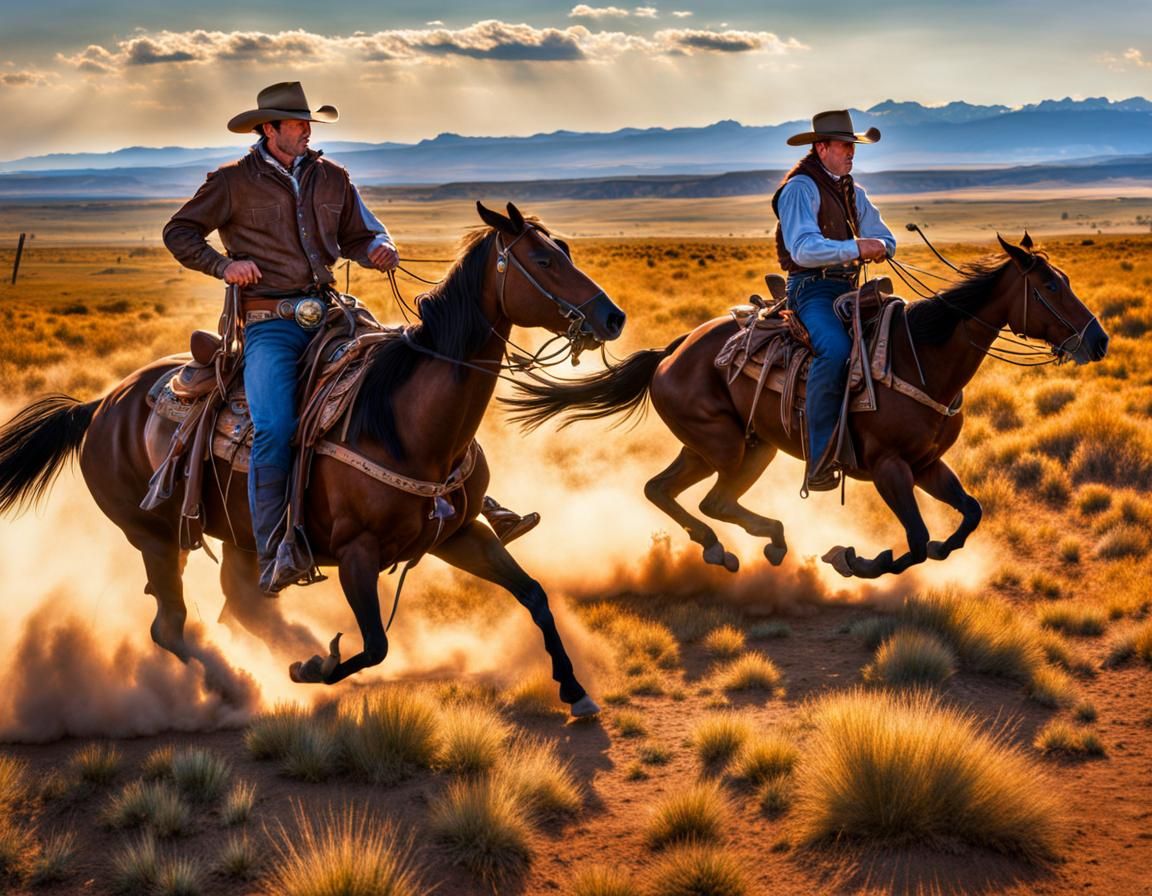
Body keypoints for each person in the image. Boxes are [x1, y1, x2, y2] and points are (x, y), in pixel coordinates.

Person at [164, 81, 537, 593]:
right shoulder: (231, 182)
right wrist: (224, 265)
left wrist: (378, 248)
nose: (307, 131)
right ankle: (275, 552)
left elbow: (364, 233)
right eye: (297, 124)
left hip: (334, 314)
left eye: (308, 123)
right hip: (270, 324)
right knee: (274, 426)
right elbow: (179, 232)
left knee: (411, 377)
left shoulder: (332, 177)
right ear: (269, 129)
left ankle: (474, 500)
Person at [771, 109, 896, 492]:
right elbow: (804, 249)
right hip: (812, 288)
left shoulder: (853, 192)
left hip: (849, 289)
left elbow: (886, 238)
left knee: (900, 331)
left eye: (853, 146)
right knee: (836, 350)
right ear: (821, 148)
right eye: (844, 146)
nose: (851, 152)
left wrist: (879, 246)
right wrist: (858, 247)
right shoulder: (800, 189)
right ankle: (821, 459)